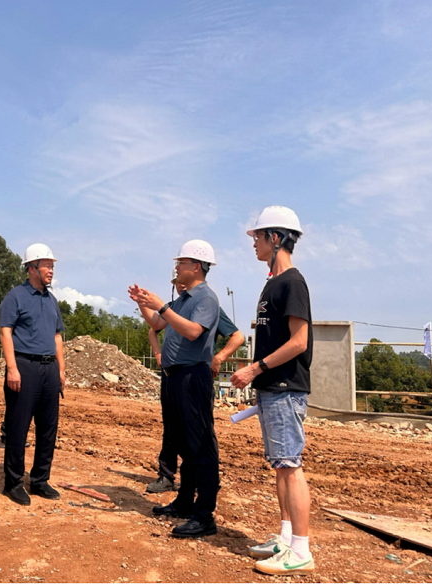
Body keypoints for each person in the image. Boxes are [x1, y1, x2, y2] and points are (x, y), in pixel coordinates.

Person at [232, 206, 314, 576]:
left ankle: (301, 550)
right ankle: (285, 538)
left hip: (284, 388)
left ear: (276, 238)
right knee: (281, 467)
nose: (254, 243)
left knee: (290, 466)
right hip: (271, 389)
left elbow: (299, 341)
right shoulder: (272, 284)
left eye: (258, 236)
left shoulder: (293, 282)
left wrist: (256, 368)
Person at [129, 240, 220, 538]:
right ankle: (185, 501)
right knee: (182, 443)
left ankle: (204, 515)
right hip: (174, 378)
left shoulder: (206, 298)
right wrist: (143, 303)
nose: (177, 267)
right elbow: (157, 323)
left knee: (200, 445)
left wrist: (162, 306)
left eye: (181, 263)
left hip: (193, 377)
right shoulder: (182, 300)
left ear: (197, 266)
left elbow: (193, 332)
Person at [145, 273, 244, 495]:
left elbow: (237, 336)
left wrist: (219, 358)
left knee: (199, 432)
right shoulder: (175, 307)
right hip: (172, 375)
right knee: (173, 428)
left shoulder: (206, 304)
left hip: (194, 375)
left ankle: (205, 482)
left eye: (183, 282)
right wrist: (158, 353)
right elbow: (154, 328)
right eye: (177, 284)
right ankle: (170, 477)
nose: (181, 286)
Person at [0, 243, 66, 506]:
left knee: (48, 428)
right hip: (24, 366)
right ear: (32, 267)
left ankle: (40, 480)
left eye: (52, 266)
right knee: (18, 427)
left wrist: (61, 369)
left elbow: (57, 336)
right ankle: (13, 482)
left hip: (50, 369)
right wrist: (12, 368)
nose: (51, 270)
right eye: (47, 265)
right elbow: (5, 332)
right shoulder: (15, 296)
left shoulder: (51, 300)